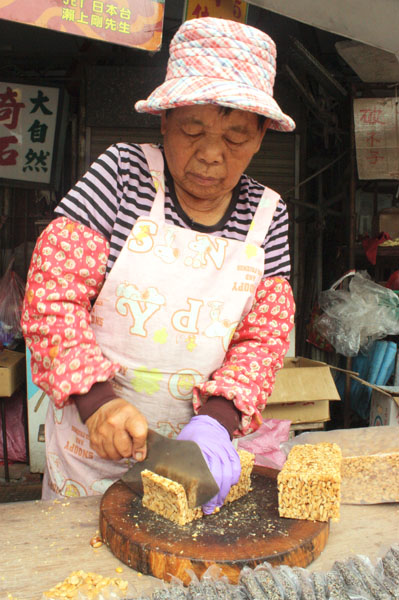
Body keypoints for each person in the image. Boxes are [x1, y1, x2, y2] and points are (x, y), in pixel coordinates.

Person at [21, 16, 296, 512]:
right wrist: (97, 401)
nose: (212, 155)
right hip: (91, 452)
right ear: (164, 120)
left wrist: (218, 420)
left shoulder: (268, 216)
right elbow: (52, 297)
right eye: (193, 129)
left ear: (260, 138)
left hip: (190, 459)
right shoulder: (122, 176)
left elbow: (265, 337)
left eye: (235, 138)